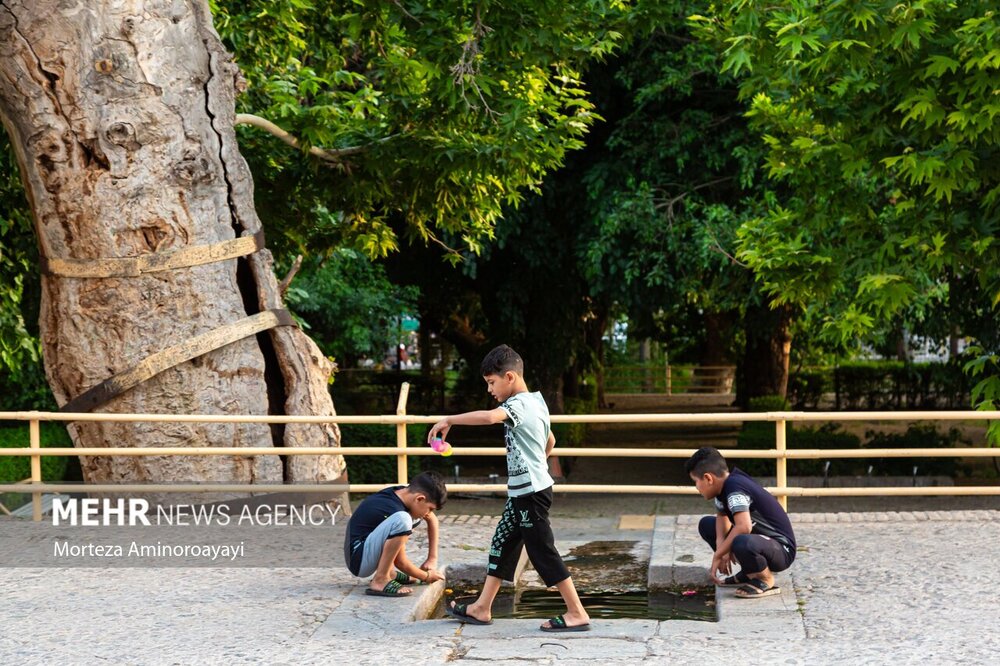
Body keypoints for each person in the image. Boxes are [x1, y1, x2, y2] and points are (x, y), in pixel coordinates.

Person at [427, 344, 591, 632]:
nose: (490, 390)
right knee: (502, 545)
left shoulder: (517, 405)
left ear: (511, 377)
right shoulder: (536, 402)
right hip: (523, 492)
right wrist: (536, 463)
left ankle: (577, 612)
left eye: (492, 383)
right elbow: (550, 440)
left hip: (531, 494)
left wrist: (450, 419)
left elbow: (490, 417)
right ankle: (482, 607)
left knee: (542, 550)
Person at [685, 446, 796, 598]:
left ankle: (765, 579)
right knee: (706, 525)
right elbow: (722, 516)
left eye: (695, 482)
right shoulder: (723, 487)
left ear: (708, 478)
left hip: (781, 550)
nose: (696, 487)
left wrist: (719, 554)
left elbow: (744, 526)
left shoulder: (735, 488)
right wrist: (721, 547)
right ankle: (750, 572)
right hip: (758, 542)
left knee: (741, 540)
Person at [343, 471, 447, 597]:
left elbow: (432, 519)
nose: (429, 512)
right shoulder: (395, 511)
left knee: (411, 517)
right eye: (430, 508)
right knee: (404, 520)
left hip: (366, 548)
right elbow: (401, 562)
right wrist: (426, 576)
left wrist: (432, 558)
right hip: (358, 559)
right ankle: (380, 579)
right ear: (420, 499)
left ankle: (390, 573)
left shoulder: (405, 493)